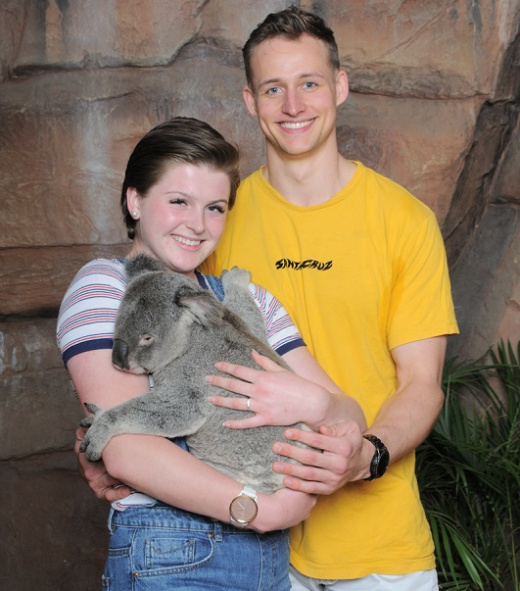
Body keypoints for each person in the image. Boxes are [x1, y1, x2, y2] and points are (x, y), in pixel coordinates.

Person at [199, 6, 459, 590]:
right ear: (250, 100)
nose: (293, 106)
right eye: (274, 88)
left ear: (339, 87)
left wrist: (365, 453)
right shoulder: (216, 222)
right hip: (248, 540)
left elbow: (421, 383)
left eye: (309, 83)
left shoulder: (405, 222)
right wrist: (108, 435)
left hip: (380, 550)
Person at [58, 116, 366, 590]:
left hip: (270, 559)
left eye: (216, 208)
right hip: (175, 552)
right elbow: (124, 448)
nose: (197, 225)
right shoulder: (108, 286)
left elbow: (347, 413)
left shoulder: (247, 299)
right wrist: (255, 508)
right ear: (134, 200)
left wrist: (317, 404)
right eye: (178, 201)